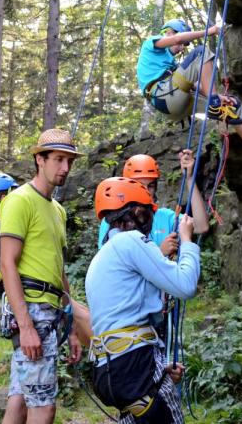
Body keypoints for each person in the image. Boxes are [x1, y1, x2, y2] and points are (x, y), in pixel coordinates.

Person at [85, 177, 200, 423]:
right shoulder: (130, 240)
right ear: (138, 212)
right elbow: (185, 285)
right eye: (148, 213)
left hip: (109, 369)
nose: (150, 220)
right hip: (133, 366)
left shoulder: (101, 258)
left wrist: (159, 367)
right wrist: (187, 240)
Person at [0, 129, 84, 424]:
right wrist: (26, 326)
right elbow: (7, 264)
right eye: (59, 159)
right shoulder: (20, 200)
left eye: (70, 161)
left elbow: (58, 270)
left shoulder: (58, 210)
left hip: (51, 310)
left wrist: (71, 327)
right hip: (31, 310)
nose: (65, 168)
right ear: (40, 159)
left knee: (20, 400)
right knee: (44, 407)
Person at [137, 19, 242, 166]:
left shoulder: (171, 65)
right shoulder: (151, 43)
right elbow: (177, 39)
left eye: (184, 46)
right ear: (169, 32)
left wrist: (218, 97)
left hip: (172, 102)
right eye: (182, 45)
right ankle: (214, 104)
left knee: (231, 105)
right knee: (201, 52)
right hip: (164, 94)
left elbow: (194, 85)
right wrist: (211, 31)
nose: (182, 48)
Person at [96, 151, 209, 255]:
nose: (145, 191)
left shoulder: (165, 216)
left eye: (150, 186)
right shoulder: (114, 221)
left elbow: (201, 226)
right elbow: (112, 261)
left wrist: (189, 178)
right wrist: (160, 252)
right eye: (140, 185)